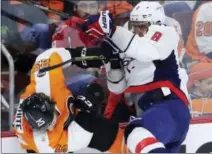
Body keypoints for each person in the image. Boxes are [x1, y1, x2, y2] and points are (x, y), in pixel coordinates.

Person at [64, 1, 191, 152]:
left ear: (155, 22)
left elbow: (144, 51)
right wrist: (114, 63)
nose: (138, 30)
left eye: (143, 25)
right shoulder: (130, 44)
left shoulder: (165, 33)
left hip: (169, 106)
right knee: (137, 140)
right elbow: (117, 88)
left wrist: (111, 31)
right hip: (148, 112)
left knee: (135, 132)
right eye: (135, 25)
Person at [13, 48, 127, 153]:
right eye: (46, 127)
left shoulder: (46, 79)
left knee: (91, 85)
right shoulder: (45, 143)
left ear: (50, 103)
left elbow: (52, 55)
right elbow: (85, 127)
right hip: (47, 146)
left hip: (62, 99)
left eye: (51, 120)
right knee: (96, 126)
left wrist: (90, 56)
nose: (51, 127)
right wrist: (83, 107)